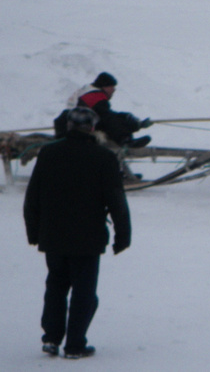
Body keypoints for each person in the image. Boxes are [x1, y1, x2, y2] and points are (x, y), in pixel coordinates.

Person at [24, 106, 132, 359]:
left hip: (53, 235)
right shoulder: (103, 157)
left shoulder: (48, 154)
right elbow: (116, 200)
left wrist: (33, 231)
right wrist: (122, 236)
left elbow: (32, 198)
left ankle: (51, 338)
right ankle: (74, 345)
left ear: (69, 127)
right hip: (88, 237)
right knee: (84, 292)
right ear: (92, 128)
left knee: (56, 286)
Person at [54, 72, 152, 148]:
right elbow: (107, 117)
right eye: (112, 87)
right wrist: (128, 121)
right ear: (104, 86)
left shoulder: (86, 90)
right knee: (112, 120)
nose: (114, 90)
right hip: (84, 124)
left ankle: (133, 128)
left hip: (72, 122)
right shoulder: (97, 97)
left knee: (117, 117)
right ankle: (125, 140)